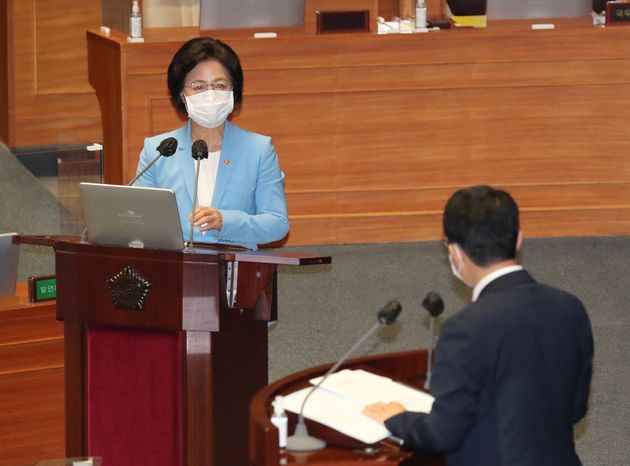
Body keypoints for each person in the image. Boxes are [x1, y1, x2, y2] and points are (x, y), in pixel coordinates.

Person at [363, 185, 593, 466]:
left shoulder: (465, 329)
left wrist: (397, 418)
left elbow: (442, 435)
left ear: (455, 253)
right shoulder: (570, 307)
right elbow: (575, 409)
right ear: (519, 239)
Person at [134, 37, 289, 249]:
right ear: (182, 94)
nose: (209, 95)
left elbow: (277, 224)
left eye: (219, 85)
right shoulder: (158, 150)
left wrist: (225, 221)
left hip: (235, 269)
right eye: (198, 87)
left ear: (233, 91)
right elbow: (138, 219)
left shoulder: (258, 149)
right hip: (174, 269)